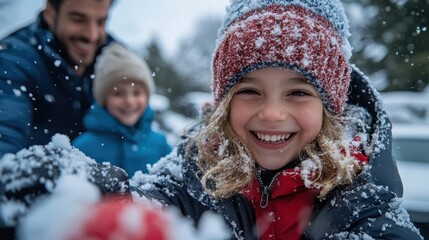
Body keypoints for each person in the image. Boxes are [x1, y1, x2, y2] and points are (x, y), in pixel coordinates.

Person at [0, 0, 424, 239]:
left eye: (298, 91)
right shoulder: (198, 173)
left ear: (331, 106)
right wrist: (88, 188)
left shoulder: (364, 203)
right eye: (249, 91)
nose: (272, 113)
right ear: (222, 104)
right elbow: (144, 202)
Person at [0, 0, 117, 157]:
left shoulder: (117, 59)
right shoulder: (12, 61)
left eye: (101, 22)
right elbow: (4, 137)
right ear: (50, 13)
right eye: (78, 19)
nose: (92, 35)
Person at [72, 43, 172, 176]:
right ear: (104, 99)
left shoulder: (160, 144)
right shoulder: (83, 147)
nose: (129, 102)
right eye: (118, 93)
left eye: (136, 93)